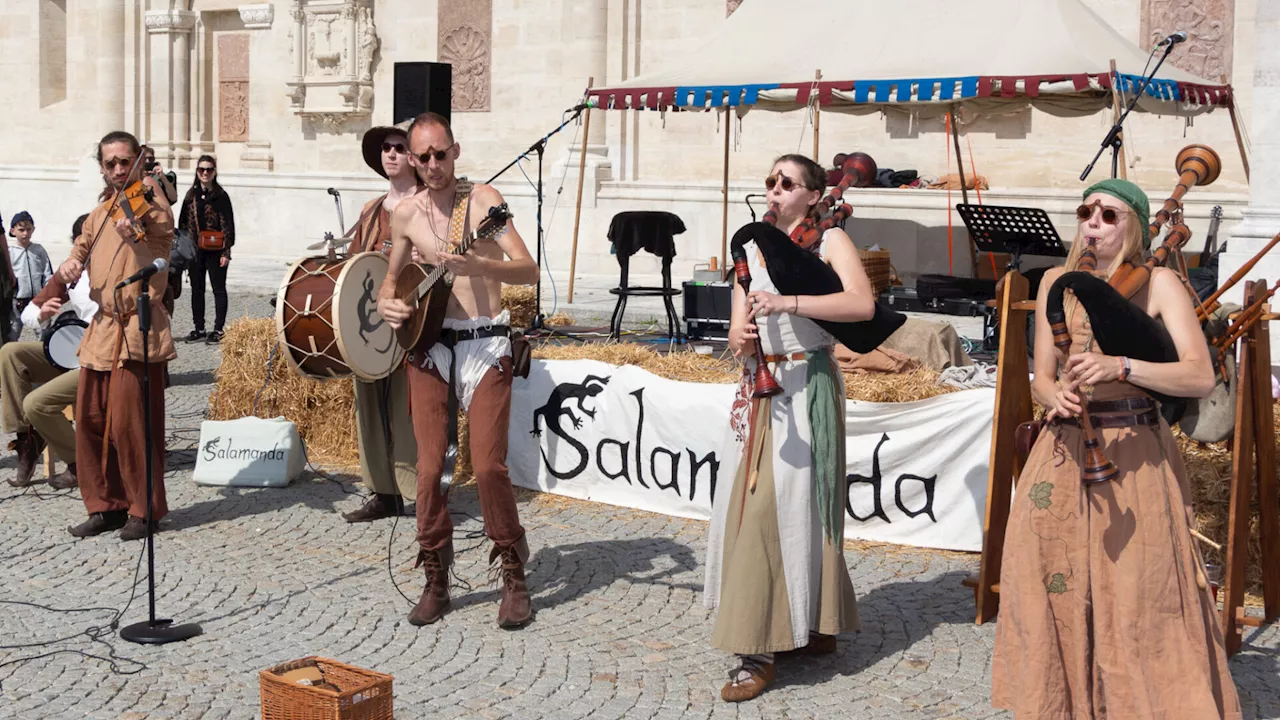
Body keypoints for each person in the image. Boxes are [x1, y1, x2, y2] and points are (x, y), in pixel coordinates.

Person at [990, 178, 1240, 718]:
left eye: (1108, 215)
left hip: (1131, 449)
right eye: (1087, 212)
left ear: (1133, 226)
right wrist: (1052, 394)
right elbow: (1041, 374)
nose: (1093, 223)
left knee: (1134, 584)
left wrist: (1120, 366)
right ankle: (1061, 704)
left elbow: (1199, 377)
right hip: (1061, 448)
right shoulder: (1058, 279)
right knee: (1047, 569)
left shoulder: (1160, 284)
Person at [705, 154, 872, 703]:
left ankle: (763, 643)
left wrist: (787, 301)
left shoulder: (830, 243)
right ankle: (803, 622)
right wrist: (740, 338)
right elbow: (736, 326)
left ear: (811, 194)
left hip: (808, 382)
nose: (775, 190)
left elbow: (862, 304)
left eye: (788, 183)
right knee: (759, 506)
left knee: (799, 504)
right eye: (771, 181)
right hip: (762, 388)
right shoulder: (751, 249)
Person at [377, 112, 539, 629]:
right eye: (421, 157)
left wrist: (483, 266)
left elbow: (529, 268)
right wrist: (389, 305)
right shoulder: (405, 212)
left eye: (439, 154)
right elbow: (391, 278)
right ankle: (436, 576)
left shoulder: (486, 202)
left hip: (485, 342)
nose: (430, 165)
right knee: (428, 470)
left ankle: (512, 568)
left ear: (456, 150)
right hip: (428, 344)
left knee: (488, 466)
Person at [56, 131, 175, 541]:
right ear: (102, 168)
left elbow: (158, 257)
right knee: (91, 421)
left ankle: (145, 509)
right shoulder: (100, 211)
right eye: (111, 164)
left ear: (139, 161)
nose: (119, 170)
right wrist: (72, 264)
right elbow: (82, 245)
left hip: (136, 326)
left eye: (126, 161)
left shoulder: (153, 208)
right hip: (102, 328)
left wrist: (134, 237)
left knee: (131, 424)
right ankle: (106, 506)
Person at [341, 122, 421, 523]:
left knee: (407, 408)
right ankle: (382, 493)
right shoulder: (370, 210)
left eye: (399, 147)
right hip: (369, 325)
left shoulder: (428, 206)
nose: (390, 153)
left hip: (413, 322)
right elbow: (356, 265)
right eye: (386, 148)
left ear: (413, 156)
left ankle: (417, 492)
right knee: (369, 406)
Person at [2, 215, 91, 489]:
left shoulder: (117, 270)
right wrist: (41, 313)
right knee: (10, 353)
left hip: (99, 359)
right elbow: (29, 311)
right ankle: (27, 438)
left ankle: (80, 464)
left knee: (37, 402)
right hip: (72, 354)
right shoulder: (71, 273)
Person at [178, 154, 234, 344]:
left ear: (214, 172)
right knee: (197, 289)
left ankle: (218, 329)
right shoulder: (191, 195)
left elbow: (229, 224)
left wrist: (227, 252)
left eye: (208, 169)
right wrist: (184, 250)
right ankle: (199, 327)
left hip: (216, 249)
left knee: (218, 289)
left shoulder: (221, 196)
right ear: (197, 171)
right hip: (195, 250)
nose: (205, 173)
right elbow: (183, 223)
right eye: (201, 169)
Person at [6, 211, 53, 341]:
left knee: (43, 332)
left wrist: (48, 294)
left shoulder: (39, 250)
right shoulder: (10, 252)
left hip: (37, 300)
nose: (25, 233)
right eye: (21, 230)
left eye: (28, 229)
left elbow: (47, 273)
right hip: (18, 301)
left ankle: (41, 358)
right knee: (13, 332)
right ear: (13, 230)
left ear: (33, 229)